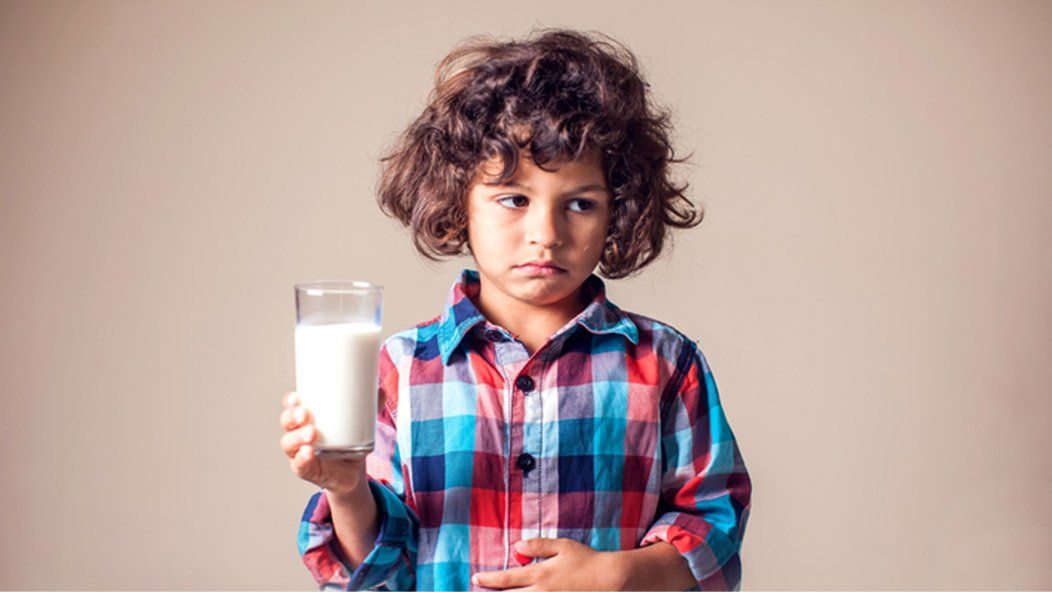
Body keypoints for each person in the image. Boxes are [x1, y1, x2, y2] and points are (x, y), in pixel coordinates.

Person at [278, 27, 751, 591]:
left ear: (617, 211)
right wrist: (348, 491)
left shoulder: (666, 365)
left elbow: (715, 525)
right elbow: (379, 579)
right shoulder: (401, 370)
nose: (545, 235)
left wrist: (619, 575)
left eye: (580, 203)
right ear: (459, 203)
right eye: (513, 199)